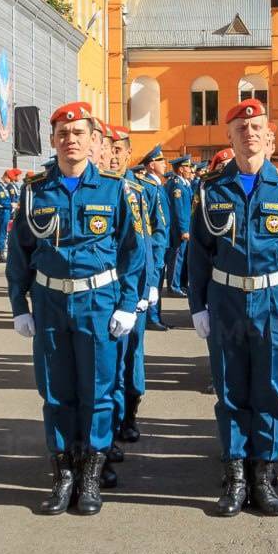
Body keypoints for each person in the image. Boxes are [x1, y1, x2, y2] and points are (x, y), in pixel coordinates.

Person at [6, 102, 147, 516]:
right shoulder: (34, 189)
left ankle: (90, 473)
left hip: (98, 302)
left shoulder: (115, 188)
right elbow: (20, 254)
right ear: (52, 141)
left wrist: (127, 304)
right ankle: (63, 470)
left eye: (79, 133)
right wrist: (20, 306)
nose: (71, 140)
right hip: (50, 303)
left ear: (93, 141)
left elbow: (133, 252)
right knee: (55, 392)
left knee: (98, 392)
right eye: (63, 134)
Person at [189, 99, 278, 517]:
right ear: (229, 136)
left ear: (269, 135)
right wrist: (197, 305)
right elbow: (200, 253)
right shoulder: (211, 188)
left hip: (272, 301)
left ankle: (264, 474)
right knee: (230, 390)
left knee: (269, 389)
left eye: (256, 127)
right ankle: (236, 473)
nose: (249, 134)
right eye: (241, 128)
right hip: (225, 300)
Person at [113, 124, 162, 446]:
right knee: (107, 360)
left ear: (129, 154)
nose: (113, 155)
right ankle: (109, 423)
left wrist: (151, 283)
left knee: (132, 354)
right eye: (108, 148)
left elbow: (155, 238)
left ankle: (130, 412)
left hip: (136, 284)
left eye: (119, 150)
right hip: (104, 285)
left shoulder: (143, 189)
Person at [139, 145, 172, 330]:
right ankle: (152, 317)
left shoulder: (157, 185)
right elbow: (152, 219)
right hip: (155, 242)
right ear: (151, 165)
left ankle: (156, 315)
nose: (165, 164)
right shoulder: (147, 186)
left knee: (158, 282)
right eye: (161, 161)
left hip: (162, 241)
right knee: (153, 281)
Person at [166, 155, 194, 296]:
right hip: (179, 229)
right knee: (177, 257)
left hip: (185, 227)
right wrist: (183, 229)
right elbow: (179, 210)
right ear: (181, 169)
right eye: (188, 167)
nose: (190, 169)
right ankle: (173, 286)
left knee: (182, 257)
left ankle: (180, 284)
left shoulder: (184, 183)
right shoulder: (177, 185)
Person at [0, 169, 20, 261]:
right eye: (10, 179)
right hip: (3, 211)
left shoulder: (4, 186)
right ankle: (0, 254)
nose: (10, 181)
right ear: (6, 177)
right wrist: (12, 204)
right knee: (2, 232)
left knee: (4, 232)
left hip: (7, 210)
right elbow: (2, 200)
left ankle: (2, 252)